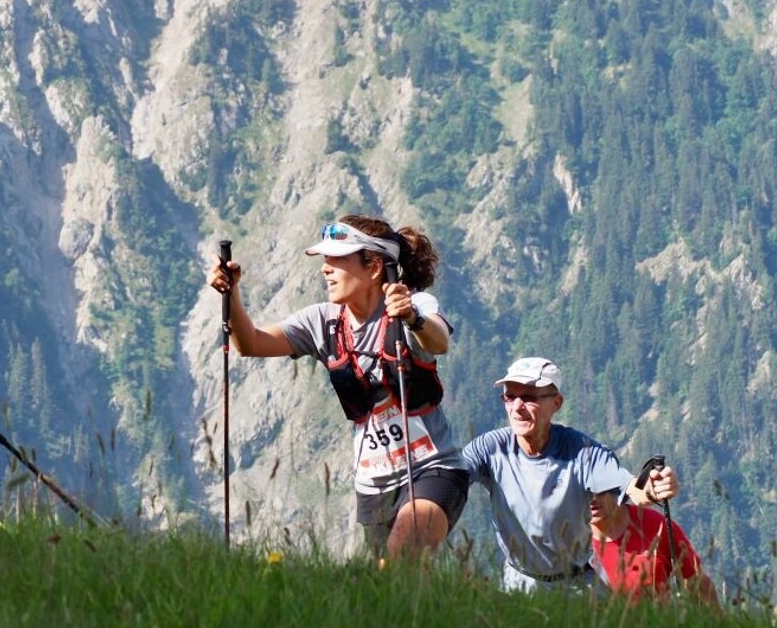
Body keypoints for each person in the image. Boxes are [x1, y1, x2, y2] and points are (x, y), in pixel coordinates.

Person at [207, 215, 468, 560]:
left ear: (374, 266)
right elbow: (251, 343)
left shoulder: (412, 305)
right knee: (395, 595)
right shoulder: (323, 321)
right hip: (372, 486)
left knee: (400, 565)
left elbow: (438, 342)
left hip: (431, 469)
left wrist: (411, 319)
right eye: (325, 260)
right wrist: (232, 293)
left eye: (336, 260)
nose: (324, 269)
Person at [463, 357, 680, 591]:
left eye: (528, 398)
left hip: (578, 587)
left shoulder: (583, 451)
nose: (516, 407)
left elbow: (630, 488)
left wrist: (653, 489)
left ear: (556, 403)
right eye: (509, 396)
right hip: (518, 583)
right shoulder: (491, 448)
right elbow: (451, 475)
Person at [589, 488, 718, 605]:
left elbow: (696, 581)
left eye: (600, 489)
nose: (593, 498)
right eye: (584, 492)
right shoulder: (571, 539)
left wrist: (719, 625)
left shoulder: (655, 525)